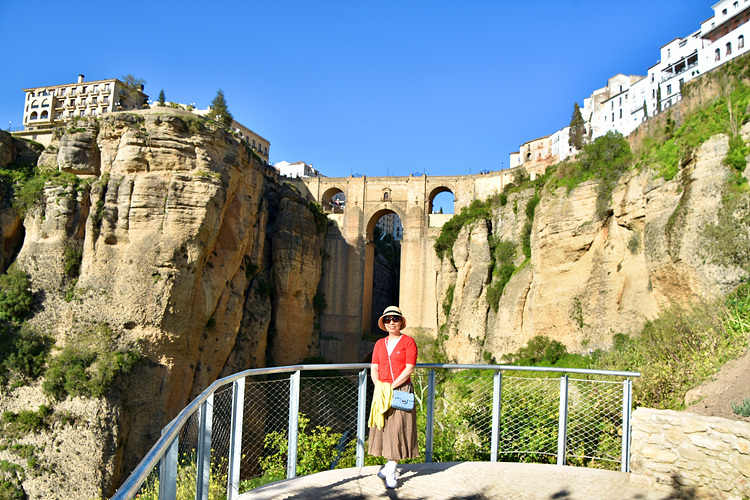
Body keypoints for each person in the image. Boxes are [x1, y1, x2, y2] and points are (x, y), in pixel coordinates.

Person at [367, 305, 418, 489]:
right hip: (382, 390)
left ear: (401, 322)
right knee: (383, 426)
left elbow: (409, 368)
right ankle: (388, 466)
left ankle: (391, 469)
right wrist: (379, 385)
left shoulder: (408, 342)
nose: (391, 322)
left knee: (397, 427)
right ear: (384, 323)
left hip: (400, 389)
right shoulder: (380, 344)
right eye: (387, 319)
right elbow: (374, 367)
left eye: (395, 319)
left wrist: (392, 386)